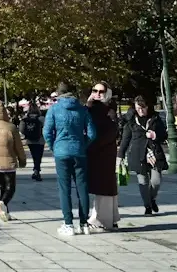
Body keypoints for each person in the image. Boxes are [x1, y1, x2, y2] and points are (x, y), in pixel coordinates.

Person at [44, 80, 96, 237]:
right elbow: (92, 134)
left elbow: (46, 132)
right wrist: (83, 145)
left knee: (64, 189)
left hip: (61, 152)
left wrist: (54, 147)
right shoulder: (82, 110)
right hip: (79, 151)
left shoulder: (54, 110)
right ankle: (84, 223)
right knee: (82, 188)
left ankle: (68, 224)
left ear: (58, 94)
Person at [118, 95, 168, 215]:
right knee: (143, 181)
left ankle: (152, 198)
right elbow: (125, 139)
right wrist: (120, 156)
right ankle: (147, 206)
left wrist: (155, 135)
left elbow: (164, 135)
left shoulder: (155, 118)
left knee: (156, 180)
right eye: (138, 108)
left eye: (143, 108)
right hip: (137, 153)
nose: (140, 110)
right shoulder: (131, 120)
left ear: (148, 107)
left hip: (154, 152)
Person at [85, 83, 120, 232]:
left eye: (101, 91)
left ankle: (101, 220)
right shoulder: (93, 107)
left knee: (104, 186)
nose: (98, 93)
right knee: (103, 185)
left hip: (103, 151)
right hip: (98, 150)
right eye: (95, 90)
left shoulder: (108, 109)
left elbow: (110, 129)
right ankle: (109, 219)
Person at [20, 102, 46, 181]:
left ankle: (36, 170)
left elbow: (21, 129)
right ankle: (36, 171)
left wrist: (27, 134)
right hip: (40, 140)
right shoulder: (41, 118)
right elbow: (47, 128)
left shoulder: (25, 118)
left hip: (30, 141)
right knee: (39, 156)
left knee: (34, 156)